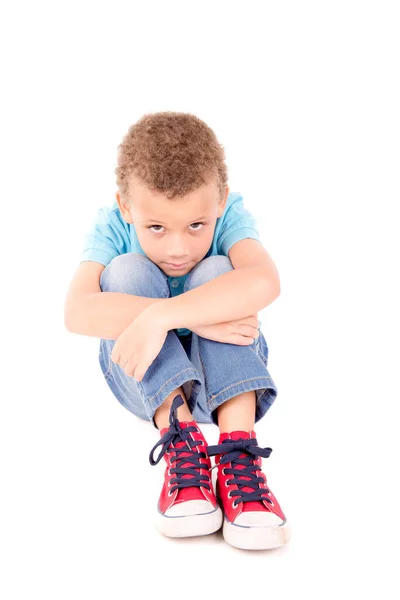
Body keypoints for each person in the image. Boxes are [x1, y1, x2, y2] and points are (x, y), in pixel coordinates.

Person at [64, 111, 291, 550]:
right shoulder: (112, 224)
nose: (177, 248)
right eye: (155, 227)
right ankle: (182, 444)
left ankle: (237, 450)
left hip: (227, 384)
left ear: (220, 201)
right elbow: (76, 312)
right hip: (151, 390)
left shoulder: (230, 215)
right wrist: (187, 316)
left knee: (220, 271)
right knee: (127, 271)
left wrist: (158, 317)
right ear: (127, 207)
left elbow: (265, 281)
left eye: (196, 226)